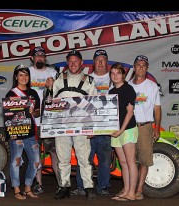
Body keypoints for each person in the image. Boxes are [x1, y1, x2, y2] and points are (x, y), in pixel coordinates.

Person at [53, 49, 97, 200]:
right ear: (67, 63)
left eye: (76, 61)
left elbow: (93, 105)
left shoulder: (89, 81)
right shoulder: (58, 79)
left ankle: (89, 187)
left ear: (81, 63)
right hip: (62, 125)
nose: (73, 64)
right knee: (63, 158)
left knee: (84, 158)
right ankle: (64, 186)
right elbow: (52, 103)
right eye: (70, 61)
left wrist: (91, 127)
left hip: (81, 124)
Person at [71, 49, 112, 196]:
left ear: (107, 62)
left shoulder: (113, 77)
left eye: (103, 59)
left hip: (105, 125)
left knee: (105, 159)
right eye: (97, 60)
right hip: (87, 124)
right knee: (84, 157)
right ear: (93, 63)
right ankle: (81, 186)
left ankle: (103, 186)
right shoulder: (86, 79)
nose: (100, 62)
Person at [4, 65, 41, 200]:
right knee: (16, 160)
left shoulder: (34, 93)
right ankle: (16, 189)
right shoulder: (11, 94)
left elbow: (38, 112)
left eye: (26, 75)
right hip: (17, 132)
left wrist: (33, 111)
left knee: (36, 160)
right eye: (21, 75)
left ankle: (28, 187)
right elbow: (8, 113)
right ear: (16, 77)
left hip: (31, 131)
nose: (24, 78)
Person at [129, 55, 161, 200]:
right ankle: (129, 187)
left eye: (144, 65)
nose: (141, 67)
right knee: (130, 160)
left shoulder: (152, 86)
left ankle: (139, 189)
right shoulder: (127, 85)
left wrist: (157, 127)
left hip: (145, 127)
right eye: (138, 65)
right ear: (134, 67)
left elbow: (157, 108)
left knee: (144, 160)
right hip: (129, 127)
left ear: (147, 68)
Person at [28, 46, 59, 194]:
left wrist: (54, 85)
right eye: (37, 55)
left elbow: (61, 93)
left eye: (42, 55)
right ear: (32, 58)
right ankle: (38, 184)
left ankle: (61, 183)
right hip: (33, 121)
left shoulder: (53, 72)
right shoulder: (26, 73)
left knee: (54, 152)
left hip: (50, 121)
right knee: (35, 154)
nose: (40, 57)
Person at [109, 62, 138, 201]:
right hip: (116, 131)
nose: (115, 76)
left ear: (123, 75)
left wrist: (121, 130)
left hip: (128, 129)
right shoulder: (111, 92)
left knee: (130, 161)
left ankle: (132, 193)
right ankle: (126, 190)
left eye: (118, 73)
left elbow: (130, 112)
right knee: (122, 161)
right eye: (113, 73)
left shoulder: (128, 89)